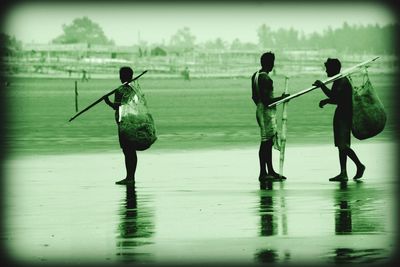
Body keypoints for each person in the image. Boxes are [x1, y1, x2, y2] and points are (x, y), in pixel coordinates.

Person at [313, 58, 365, 182]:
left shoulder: (341, 80)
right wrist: (326, 101)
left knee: (343, 145)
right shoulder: (338, 80)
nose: (326, 72)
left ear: (334, 69)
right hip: (341, 113)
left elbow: (334, 96)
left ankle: (359, 165)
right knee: (341, 146)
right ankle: (343, 173)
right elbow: (337, 99)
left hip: (344, 115)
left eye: (327, 69)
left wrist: (322, 86)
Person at [251, 52, 289, 182]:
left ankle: (270, 171)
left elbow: (254, 97)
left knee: (268, 141)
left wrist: (260, 106)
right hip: (266, 111)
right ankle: (263, 173)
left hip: (260, 109)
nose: (273, 65)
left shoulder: (255, 76)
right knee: (265, 141)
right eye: (272, 62)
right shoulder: (266, 79)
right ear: (269, 63)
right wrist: (282, 98)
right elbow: (268, 101)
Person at [104, 66, 140, 185]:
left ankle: (129, 178)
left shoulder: (120, 90)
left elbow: (117, 106)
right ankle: (131, 177)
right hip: (134, 120)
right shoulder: (134, 89)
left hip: (124, 123)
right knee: (131, 150)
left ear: (122, 77)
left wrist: (107, 101)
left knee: (127, 150)